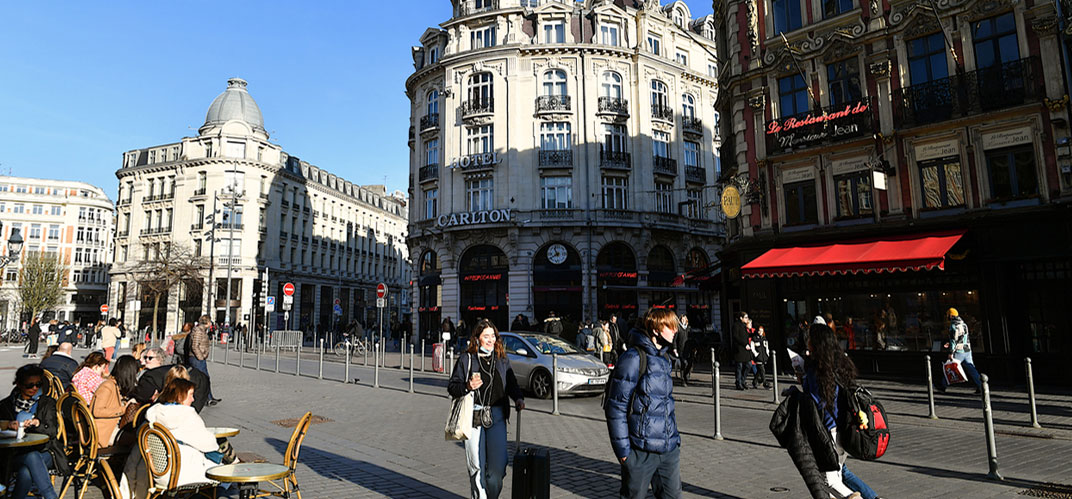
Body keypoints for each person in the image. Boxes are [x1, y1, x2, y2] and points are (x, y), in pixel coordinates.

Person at [604, 308, 681, 499]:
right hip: (640, 452)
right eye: (670, 326)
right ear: (656, 329)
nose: (675, 330)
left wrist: (675, 440)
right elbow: (616, 407)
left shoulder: (664, 358)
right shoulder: (633, 358)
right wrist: (624, 454)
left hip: (668, 450)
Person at [447, 319, 525, 499]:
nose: (490, 340)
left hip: (497, 417)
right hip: (473, 417)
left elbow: (511, 383)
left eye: (493, 336)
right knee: (477, 467)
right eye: (486, 336)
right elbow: (453, 386)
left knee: (498, 468)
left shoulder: (502, 359)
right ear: (477, 339)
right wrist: (467, 386)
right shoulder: (467, 359)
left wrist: (518, 398)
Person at [802, 323, 877, 499]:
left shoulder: (816, 368)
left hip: (828, 431)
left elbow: (815, 401)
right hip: (845, 427)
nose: (807, 341)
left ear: (815, 343)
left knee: (829, 482)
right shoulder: (840, 362)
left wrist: (802, 381)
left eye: (809, 339)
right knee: (839, 473)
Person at [0, 364, 69, 499]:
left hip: (45, 451)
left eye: (38, 384)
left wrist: (38, 424)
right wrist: (8, 425)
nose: (34, 388)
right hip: (14, 454)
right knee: (26, 469)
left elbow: (52, 431)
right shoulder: (6, 405)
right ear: (19, 384)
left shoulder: (46, 403)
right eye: (29, 385)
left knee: (31, 459)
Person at [144, 379, 222, 487]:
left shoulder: (153, 414)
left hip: (159, 474)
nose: (193, 399)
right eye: (190, 395)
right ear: (180, 396)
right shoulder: (187, 415)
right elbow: (209, 444)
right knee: (222, 469)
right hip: (184, 473)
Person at [134, 348, 212, 412]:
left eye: (150, 358)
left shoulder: (149, 377)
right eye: (145, 357)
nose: (146, 360)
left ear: (159, 359)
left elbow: (143, 396)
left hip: (199, 383)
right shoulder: (157, 373)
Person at [90, 355, 139, 447]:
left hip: (107, 428)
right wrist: (123, 409)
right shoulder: (107, 386)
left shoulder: (114, 384)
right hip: (103, 432)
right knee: (138, 440)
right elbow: (97, 411)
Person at [935, 308, 982, 394]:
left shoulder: (953, 326)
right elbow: (962, 338)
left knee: (950, 367)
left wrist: (951, 352)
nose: (947, 317)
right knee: (972, 369)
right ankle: (981, 386)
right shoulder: (964, 324)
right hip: (967, 350)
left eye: (948, 315)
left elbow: (954, 340)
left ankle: (942, 386)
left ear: (951, 315)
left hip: (959, 351)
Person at [187, 315, 220, 405]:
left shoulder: (202, 330)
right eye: (210, 322)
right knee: (203, 378)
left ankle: (209, 397)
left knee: (205, 378)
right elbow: (195, 345)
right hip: (196, 358)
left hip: (199, 358)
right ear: (207, 322)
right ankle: (206, 398)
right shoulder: (198, 331)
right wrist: (200, 356)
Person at [731, 311, 752, 390]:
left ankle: (742, 380)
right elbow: (736, 337)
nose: (747, 319)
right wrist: (744, 344)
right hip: (739, 349)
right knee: (739, 366)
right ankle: (739, 383)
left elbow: (748, 335)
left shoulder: (744, 326)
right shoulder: (736, 325)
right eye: (745, 317)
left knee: (748, 365)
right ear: (741, 318)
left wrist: (751, 330)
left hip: (745, 350)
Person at [673, 314, 691, 386]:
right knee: (684, 363)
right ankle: (683, 379)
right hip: (681, 349)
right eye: (682, 319)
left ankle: (686, 377)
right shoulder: (678, 328)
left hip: (688, 349)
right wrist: (675, 349)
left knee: (689, 364)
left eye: (684, 319)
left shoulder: (688, 328)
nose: (683, 321)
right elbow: (675, 340)